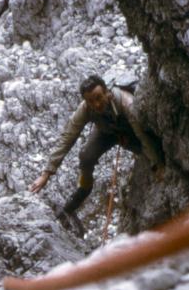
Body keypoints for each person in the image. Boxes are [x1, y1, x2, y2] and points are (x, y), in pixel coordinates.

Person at [30, 74, 163, 233]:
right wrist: (46, 173)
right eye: (91, 101)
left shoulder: (126, 103)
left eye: (99, 98)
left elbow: (142, 134)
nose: (96, 104)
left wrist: (157, 165)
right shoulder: (86, 109)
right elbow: (68, 137)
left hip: (131, 131)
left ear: (107, 92)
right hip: (105, 131)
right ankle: (83, 190)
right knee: (86, 156)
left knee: (145, 152)